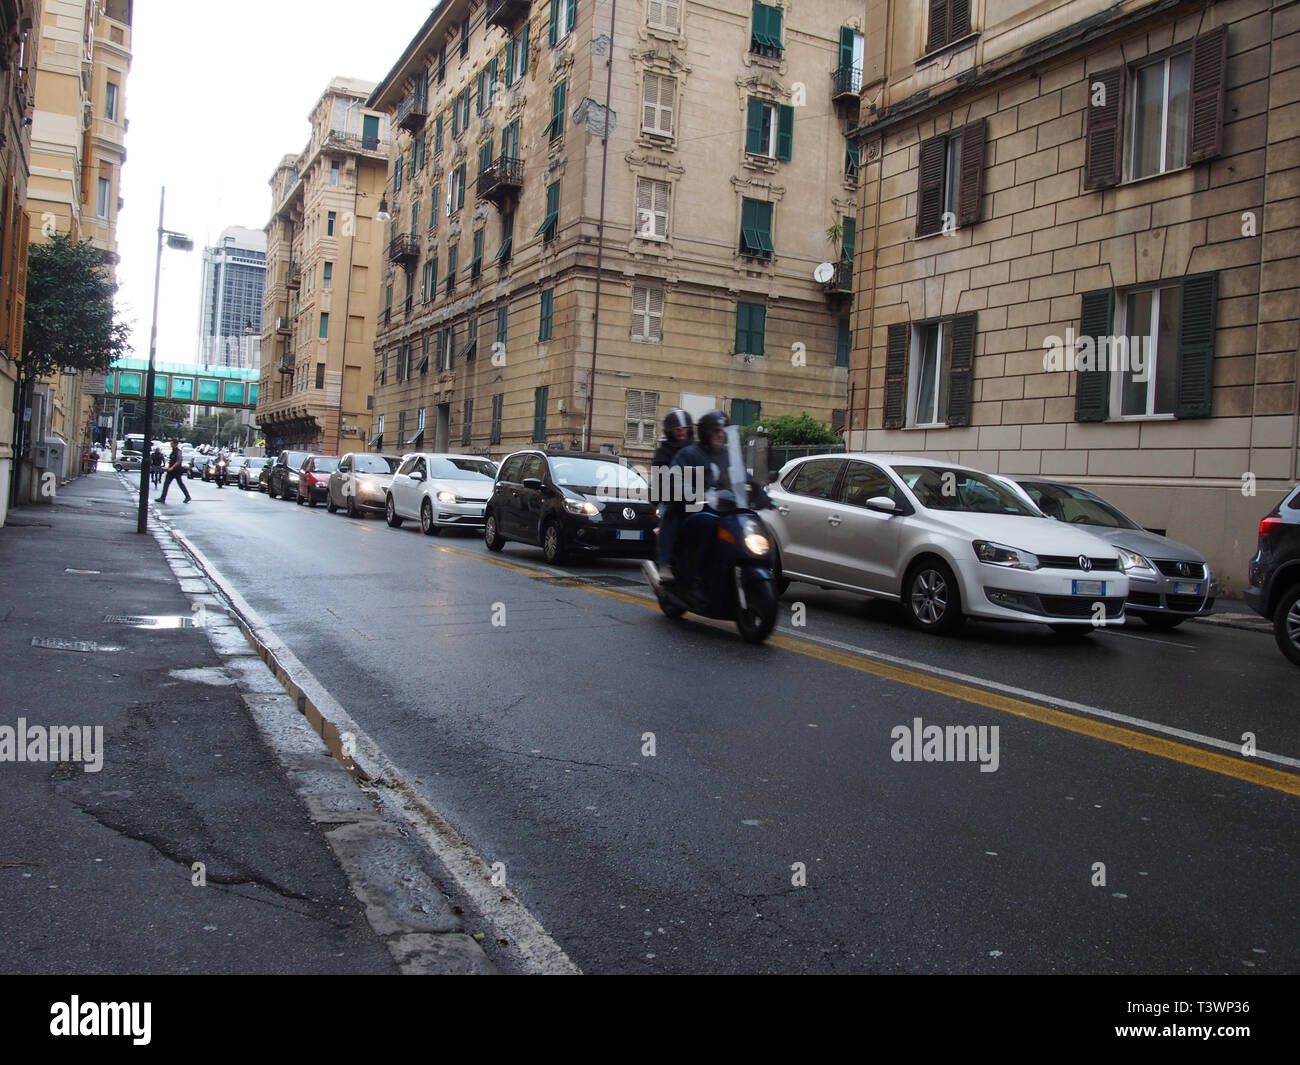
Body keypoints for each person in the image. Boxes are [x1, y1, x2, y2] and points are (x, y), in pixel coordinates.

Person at [653, 409, 693, 581]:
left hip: (696, 496)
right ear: (671, 431)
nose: (682, 431)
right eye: (678, 429)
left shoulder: (697, 449)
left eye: (684, 428)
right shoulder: (665, 452)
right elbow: (660, 477)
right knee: (670, 516)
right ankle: (664, 562)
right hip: (672, 498)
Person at [155, 438, 191, 503]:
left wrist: (172, 467)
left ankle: (187, 496)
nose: (171, 444)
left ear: (175, 444)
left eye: (172, 443)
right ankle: (162, 498)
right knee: (166, 484)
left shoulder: (178, 451)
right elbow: (171, 461)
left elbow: (178, 461)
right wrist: (168, 467)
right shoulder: (173, 451)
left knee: (180, 484)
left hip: (176, 471)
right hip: (171, 471)